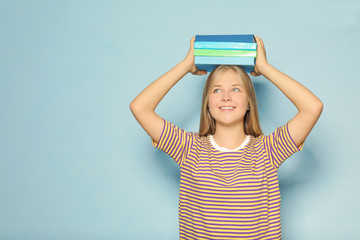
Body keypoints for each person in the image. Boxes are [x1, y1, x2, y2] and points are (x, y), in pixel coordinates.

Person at [130, 35, 323, 240]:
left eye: (236, 89)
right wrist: (185, 66)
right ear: (207, 104)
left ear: (249, 102)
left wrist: (265, 68)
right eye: (217, 90)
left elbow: (312, 108)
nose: (226, 97)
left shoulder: (268, 151)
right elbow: (140, 108)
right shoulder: (188, 148)